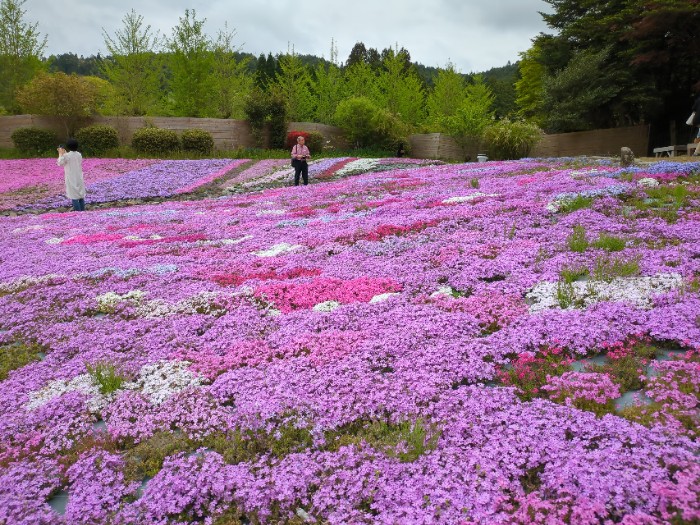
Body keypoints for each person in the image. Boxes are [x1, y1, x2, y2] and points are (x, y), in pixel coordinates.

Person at [57, 138, 86, 211]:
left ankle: (79, 213)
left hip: (71, 177)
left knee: (74, 196)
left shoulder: (67, 156)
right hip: (79, 176)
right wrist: (65, 153)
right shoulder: (79, 154)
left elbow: (60, 163)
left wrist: (60, 154)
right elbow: (70, 157)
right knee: (80, 195)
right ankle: (83, 211)